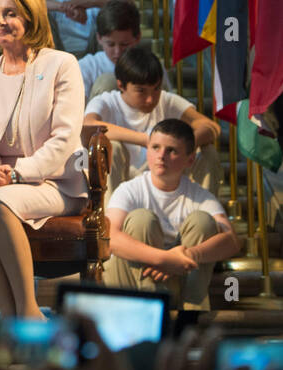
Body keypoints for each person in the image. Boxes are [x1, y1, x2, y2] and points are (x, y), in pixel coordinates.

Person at [0, 0, 87, 319]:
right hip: (0, 182)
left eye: (10, 14)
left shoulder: (61, 64)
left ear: (31, 18)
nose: (1, 21)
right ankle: (9, 314)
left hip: (57, 182)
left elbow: (64, 137)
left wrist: (15, 174)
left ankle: (29, 311)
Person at [102, 119, 241, 310]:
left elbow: (232, 240)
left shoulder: (200, 196)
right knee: (141, 219)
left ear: (190, 160)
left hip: (178, 280)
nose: (161, 156)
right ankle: (148, 312)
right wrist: (164, 259)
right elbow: (111, 237)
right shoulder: (129, 190)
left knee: (203, 222)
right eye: (155, 148)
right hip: (130, 284)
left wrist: (190, 255)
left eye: (172, 151)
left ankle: (192, 313)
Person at [83, 47, 221, 197]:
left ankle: (205, 213)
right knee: (110, 147)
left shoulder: (166, 100)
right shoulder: (106, 102)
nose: (150, 99)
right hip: (122, 184)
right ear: (121, 85)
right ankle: (109, 216)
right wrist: (146, 140)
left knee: (207, 152)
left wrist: (182, 144)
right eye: (141, 91)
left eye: (156, 89)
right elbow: (88, 126)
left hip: (162, 179)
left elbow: (211, 127)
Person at [77, 0, 148, 96]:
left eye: (124, 44)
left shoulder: (150, 65)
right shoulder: (87, 67)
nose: (118, 52)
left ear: (138, 38)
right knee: (108, 82)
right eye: (111, 44)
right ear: (99, 38)